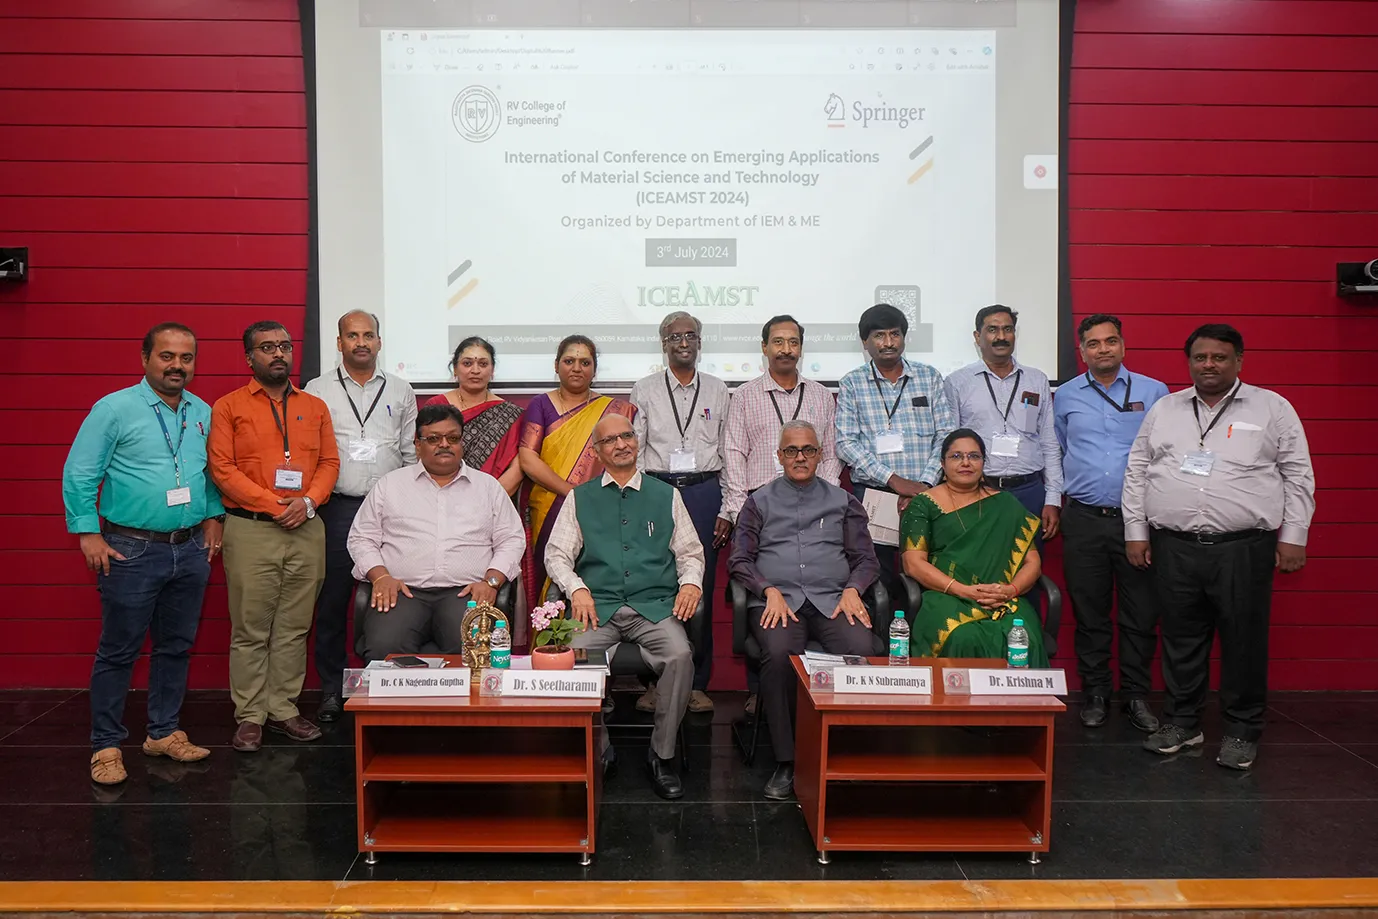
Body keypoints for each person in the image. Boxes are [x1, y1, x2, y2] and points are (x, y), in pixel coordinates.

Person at [1124, 323, 1314, 771]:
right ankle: (1183, 723)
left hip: (1243, 548)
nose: (1208, 364)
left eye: (1219, 357)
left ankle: (1242, 730)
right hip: (1175, 546)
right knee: (1180, 640)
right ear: (1189, 362)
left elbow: (1298, 473)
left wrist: (1293, 537)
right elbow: (1138, 468)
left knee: (1243, 642)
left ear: (1238, 360)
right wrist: (1136, 531)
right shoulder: (1166, 408)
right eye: (1200, 357)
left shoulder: (1272, 408)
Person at [62, 323, 223, 785]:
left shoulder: (201, 411)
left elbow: (207, 472)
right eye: (167, 356)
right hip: (130, 550)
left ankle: (163, 732)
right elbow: (79, 473)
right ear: (145, 358)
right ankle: (106, 745)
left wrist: (214, 515)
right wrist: (87, 533)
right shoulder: (113, 409)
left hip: (189, 548)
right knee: (119, 651)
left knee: (176, 647)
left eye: (186, 358)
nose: (177, 366)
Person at [544, 414, 705, 800]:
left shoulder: (666, 495)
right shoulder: (579, 497)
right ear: (597, 451)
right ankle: (599, 752)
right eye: (610, 440)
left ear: (636, 440)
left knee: (680, 656)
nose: (621, 444)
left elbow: (690, 553)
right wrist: (576, 589)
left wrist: (691, 583)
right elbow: (556, 555)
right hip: (596, 608)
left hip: (654, 606)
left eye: (627, 436)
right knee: (574, 660)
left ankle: (661, 755)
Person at [729, 420, 880, 801]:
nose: (800, 457)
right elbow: (740, 560)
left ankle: (844, 752)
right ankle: (788, 761)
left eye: (808, 450)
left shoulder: (843, 501)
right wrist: (767, 589)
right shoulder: (757, 501)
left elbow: (866, 559)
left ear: (820, 455)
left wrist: (854, 589)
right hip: (778, 603)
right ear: (779, 456)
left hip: (833, 600)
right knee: (779, 654)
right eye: (792, 451)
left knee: (861, 650)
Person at [210, 321, 340, 753]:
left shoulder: (315, 406)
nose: (278, 354)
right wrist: (274, 505)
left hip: (306, 528)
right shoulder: (228, 407)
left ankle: (283, 708)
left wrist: (309, 502)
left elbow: (329, 463)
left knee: (294, 627)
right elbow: (222, 469)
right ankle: (250, 715)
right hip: (251, 529)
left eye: (284, 346)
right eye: (267, 347)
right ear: (250, 357)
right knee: (251, 629)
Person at [1054, 314, 1169, 732]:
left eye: (1111, 341)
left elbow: (1165, 453)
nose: (1103, 349)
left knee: (1140, 613)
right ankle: (1096, 693)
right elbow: (1060, 447)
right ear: (1082, 351)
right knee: (1091, 613)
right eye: (1094, 343)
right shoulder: (1065, 396)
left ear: (1123, 345)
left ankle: (1136, 695)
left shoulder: (1154, 392)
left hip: (1138, 521)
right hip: (1083, 519)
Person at [302, 310, 418, 723]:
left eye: (368, 335)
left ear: (379, 341)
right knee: (332, 601)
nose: (361, 342)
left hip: (392, 510)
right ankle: (332, 690)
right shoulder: (316, 390)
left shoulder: (401, 390)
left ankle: (386, 684)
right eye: (353, 336)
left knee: (392, 599)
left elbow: (410, 453)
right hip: (337, 508)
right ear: (339, 343)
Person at [721, 315, 840, 713]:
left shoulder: (821, 396)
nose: (786, 349)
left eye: (793, 342)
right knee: (765, 591)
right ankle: (765, 693)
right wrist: (737, 508)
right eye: (778, 342)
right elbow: (734, 453)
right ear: (764, 347)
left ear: (801, 348)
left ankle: (820, 702)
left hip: (814, 505)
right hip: (761, 509)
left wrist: (825, 501)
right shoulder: (744, 396)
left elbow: (831, 454)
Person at [348, 404, 525, 658]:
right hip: (401, 592)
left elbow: (511, 540)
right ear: (417, 445)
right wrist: (380, 577)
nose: (444, 444)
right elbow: (362, 537)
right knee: (384, 648)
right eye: (433, 439)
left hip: (467, 594)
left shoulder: (488, 487)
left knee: (474, 650)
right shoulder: (390, 485)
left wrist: (492, 582)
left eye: (452, 438)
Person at [628, 311, 731, 715]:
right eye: (675, 337)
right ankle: (655, 682)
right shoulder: (645, 389)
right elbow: (635, 448)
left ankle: (697, 683)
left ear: (700, 342)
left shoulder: (719, 389)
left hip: (704, 492)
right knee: (655, 583)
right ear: (664, 343)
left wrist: (727, 507)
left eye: (690, 335)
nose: (683, 342)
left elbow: (729, 450)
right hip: (657, 490)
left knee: (698, 585)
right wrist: (637, 502)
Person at [836, 302, 957, 603]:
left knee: (928, 576)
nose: (888, 342)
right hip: (875, 495)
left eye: (895, 334)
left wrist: (923, 486)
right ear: (865, 342)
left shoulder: (929, 377)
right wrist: (894, 480)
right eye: (879, 335)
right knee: (879, 582)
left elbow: (946, 435)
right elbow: (846, 443)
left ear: (904, 337)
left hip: (928, 494)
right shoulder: (852, 383)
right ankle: (884, 634)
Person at [900, 428, 1049, 666]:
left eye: (974, 456)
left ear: (983, 463)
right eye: (956, 456)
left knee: (1022, 636)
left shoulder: (1005, 504)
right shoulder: (923, 504)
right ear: (942, 463)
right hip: (946, 595)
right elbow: (913, 563)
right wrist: (962, 590)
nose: (966, 462)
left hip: (1001, 597)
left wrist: (1010, 590)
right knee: (964, 636)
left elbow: (1033, 562)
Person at [519, 335, 636, 606]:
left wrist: (587, 498)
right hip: (550, 505)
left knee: (596, 570)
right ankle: (550, 633)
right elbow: (528, 458)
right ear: (556, 365)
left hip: (600, 506)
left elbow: (624, 458)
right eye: (569, 361)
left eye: (585, 362)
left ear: (594, 369)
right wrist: (573, 493)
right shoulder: (541, 405)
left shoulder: (613, 410)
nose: (576, 368)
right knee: (551, 573)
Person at [943, 305, 1063, 537]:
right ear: (977, 337)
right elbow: (950, 444)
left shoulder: (1036, 380)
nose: (1001, 336)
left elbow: (1049, 442)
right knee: (980, 558)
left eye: (1007, 329)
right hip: (978, 491)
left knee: (1028, 557)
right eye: (992, 330)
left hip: (1030, 492)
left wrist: (1053, 498)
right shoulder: (957, 382)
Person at [426, 336, 524, 496]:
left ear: (492, 370)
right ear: (455, 369)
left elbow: (517, 468)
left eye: (483, 364)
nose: (475, 370)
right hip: (439, 495)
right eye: (467, 363)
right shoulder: (436, 406)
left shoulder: (510, 414)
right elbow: (424, 455)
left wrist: (488, 500)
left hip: (491, 499)